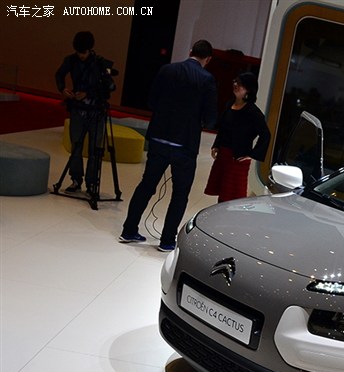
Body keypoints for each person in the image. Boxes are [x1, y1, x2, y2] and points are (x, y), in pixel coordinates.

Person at [119, 40, 217, 251]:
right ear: (208, 59)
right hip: (185, 144)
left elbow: (151, 101)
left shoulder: (167, 70)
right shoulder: (207, 79)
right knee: (180, 194)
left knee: (146, 185)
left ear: (190, 51)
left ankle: (128, 230)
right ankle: (167, 240)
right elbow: (210, 118)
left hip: (158, 139)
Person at [55, 31, 110, 195]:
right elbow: (59, 74)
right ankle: (76, 180)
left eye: (84, 53)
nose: (81, 56)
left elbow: (108, 87)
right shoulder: (71, 60)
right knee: (76, 146)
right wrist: (62, 89)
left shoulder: (100, 63)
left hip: (96, 111)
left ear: (90, 49)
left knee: (95, 150)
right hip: (77, 109)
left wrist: (88, 94)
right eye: (79, 52)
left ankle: (92, 183)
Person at [204, 72, 270, 202]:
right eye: (235, 81)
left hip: (237, 159)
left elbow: (265, 134)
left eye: (240, 84)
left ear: (248, 89)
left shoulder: (253, 112)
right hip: (223, 155)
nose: (235, 85)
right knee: (221, 191)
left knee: (231, 196)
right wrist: (216, 145)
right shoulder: (230, 104)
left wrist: (252, 154)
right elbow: (223, 128)